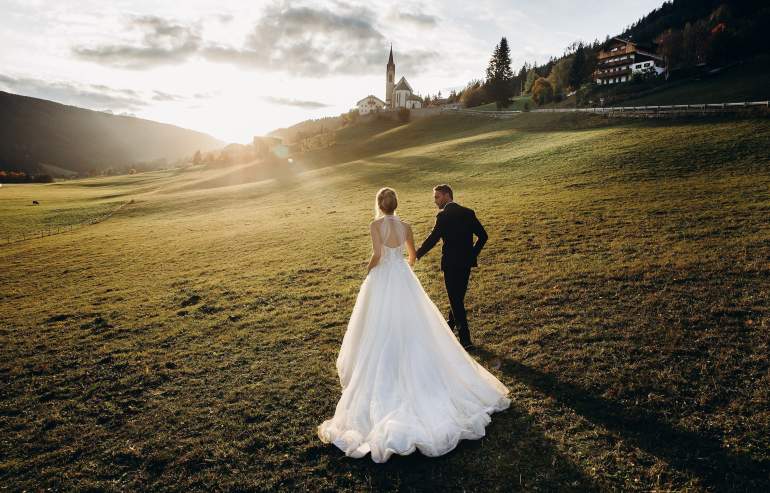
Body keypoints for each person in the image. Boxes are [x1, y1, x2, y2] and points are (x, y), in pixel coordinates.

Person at [317, 187, 509, 463]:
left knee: (379, 323)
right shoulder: (406, 226)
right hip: (403, 276)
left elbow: (377, 254)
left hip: (383, 278)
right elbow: (412, 255)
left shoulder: (375, 226)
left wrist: (370, 270)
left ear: (379, 205)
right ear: (395, 204)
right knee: (415, 321)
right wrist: (404, 266)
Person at [416, 184, 487, 349]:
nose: (435, 201)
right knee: (457, 299)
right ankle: (449, 326)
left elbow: (433, 239)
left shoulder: (443, 216)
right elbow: (483, 236)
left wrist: (416, 255)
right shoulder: (468, 213)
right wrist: (472, 254)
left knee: (456, 301)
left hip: (450, 264)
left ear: (447, 195)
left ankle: (465, 340)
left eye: (437, 197)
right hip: (466, 263)